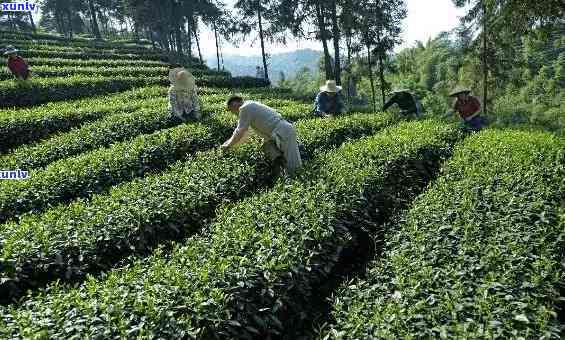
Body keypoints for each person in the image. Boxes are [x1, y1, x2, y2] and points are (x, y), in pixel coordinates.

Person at [222, 96, 303, 177]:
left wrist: (228, 145)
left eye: (231, 110)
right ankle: (283, 174)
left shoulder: (245, 108)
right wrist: (229, 144)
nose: (233, 113)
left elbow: (240, 131)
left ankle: (297, 180)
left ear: (234, 104)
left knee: (293, 164)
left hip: (282, 132)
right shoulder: (250, 105)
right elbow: (245, 134)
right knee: (269, 148)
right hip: (280, 132)